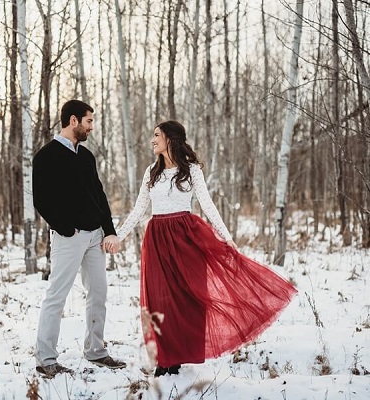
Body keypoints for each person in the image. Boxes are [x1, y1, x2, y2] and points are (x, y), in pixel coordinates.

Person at [109, 120, 297, 377]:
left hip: (187, 238)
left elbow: (208, 204)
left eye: (156, 135)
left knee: (189, 299)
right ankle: (165, 359)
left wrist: (226, 236)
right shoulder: (151, 172)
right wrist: (118, 236)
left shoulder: (191, 170)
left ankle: (181, 355)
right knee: (160, 300)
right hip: (158, 240)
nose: (152, 140)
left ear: (170, 139)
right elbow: (139, 208)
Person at [32, 99, 126, 378]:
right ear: (73, 121)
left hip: (95, 236)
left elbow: (99, 195)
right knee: (56, 296)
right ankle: (46, 358)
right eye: (89, 121)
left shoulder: (86, 157)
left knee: (98, 293)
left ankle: (96, 350)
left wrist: (108, 230)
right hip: (68, 238)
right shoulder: (46, 156)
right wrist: (65, 228)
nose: (91, 127)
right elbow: (41, 199)